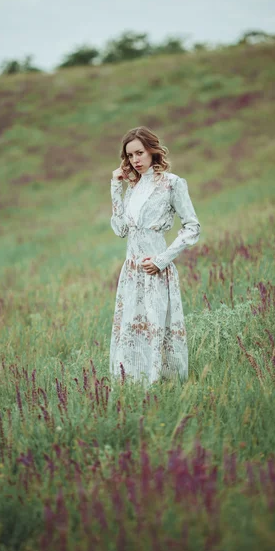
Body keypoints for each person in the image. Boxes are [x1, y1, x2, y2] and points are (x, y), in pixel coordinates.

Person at [109, 126, 201, 388]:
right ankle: (134, 385)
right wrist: (116, 188)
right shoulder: (133, 188)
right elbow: (120, 230)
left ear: (152, 151)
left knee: (157, 327)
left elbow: (192, 227)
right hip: (132, 271)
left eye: (139, 153)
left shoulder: (172, 183)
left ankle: (165, 384)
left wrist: (162, 259)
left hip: (157, 269)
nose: (135, 160)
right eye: (130, 156)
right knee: (133, 329)